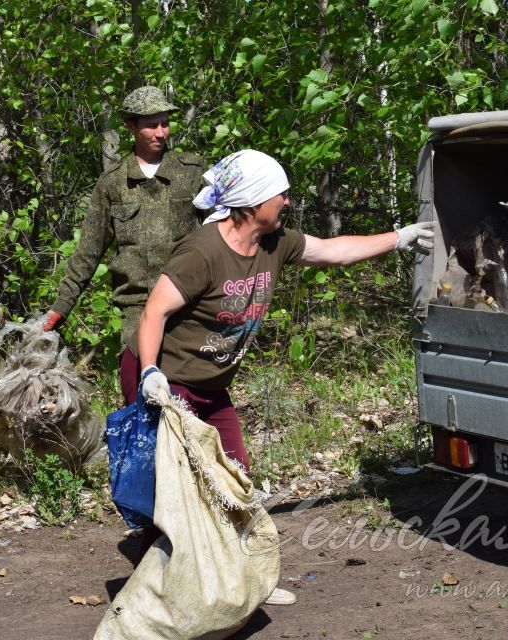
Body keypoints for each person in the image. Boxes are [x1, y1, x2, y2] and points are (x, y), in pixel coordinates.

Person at [129, 149, 438, 606]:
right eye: (281, 194)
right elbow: (154, 310)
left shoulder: (277, 243)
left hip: (211, 386)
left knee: (236, 478)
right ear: (253, 202)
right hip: (166, 381)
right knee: (177, 490)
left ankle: (246, 580)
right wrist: (150, 372)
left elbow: (334, 252)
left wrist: (400, 237)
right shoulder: (202, 251)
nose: (288, 202)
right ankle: (165, 589)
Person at [42, 86, 207, 370]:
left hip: (190, 300)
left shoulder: (191, 172)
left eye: (165, 124)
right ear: (131, 125)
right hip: (138, 306)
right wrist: (61, 307)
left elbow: (223, 229)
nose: (160, 133)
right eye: (151, 125)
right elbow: (88, 253)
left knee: (192, 386)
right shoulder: (113, 183)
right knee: (141, 383)